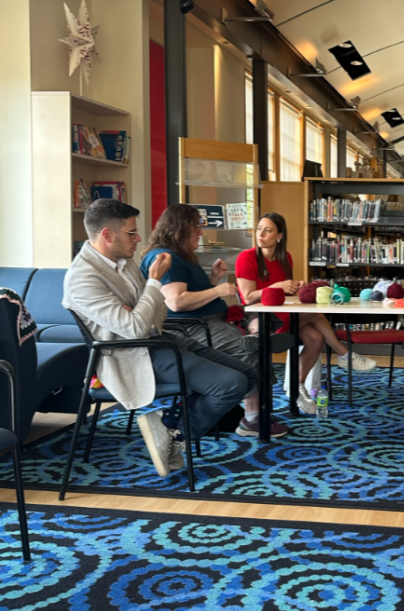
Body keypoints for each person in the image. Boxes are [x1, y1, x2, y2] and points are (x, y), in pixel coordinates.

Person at [63, 199, 260, 478]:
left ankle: (168, 426)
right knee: (232, 384)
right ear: (107, 235)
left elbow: (157, 313)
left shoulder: (123, 261)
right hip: (132, 355)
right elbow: (135, 329)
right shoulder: (83, 278)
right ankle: (177, 434)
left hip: (160, 339)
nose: (139, 238)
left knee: (249, 374)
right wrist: (153, 284)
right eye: (131, 233)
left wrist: (142, 309)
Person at [139, 203, 287, 439]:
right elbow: (176, 302)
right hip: (193, 327)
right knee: (252, 349)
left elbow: (188, 293)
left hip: (208, 321)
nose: (200, 232)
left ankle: (254, 406)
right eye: (196, 227)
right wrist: (217, 291)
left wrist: (212, 279)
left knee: (257, 340)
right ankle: (252, 419)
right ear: (180, 228)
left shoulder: (179, 257)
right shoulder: (166, 259)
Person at [235, 212, 377, 416]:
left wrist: (295, 287)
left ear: (279, 236)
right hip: (261, 316)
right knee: (316, 316)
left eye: (267, 230)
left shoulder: (285, 258)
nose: (261, 234)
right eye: (259, 229)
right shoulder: (246, 257)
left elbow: (284, 293)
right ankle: (343, 354)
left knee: (316, 338)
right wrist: (277, 286)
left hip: (282, 312)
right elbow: (248, 298)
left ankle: (298, 386)